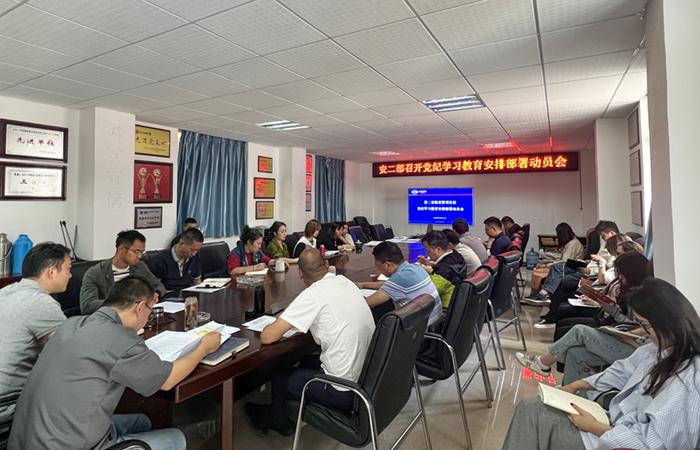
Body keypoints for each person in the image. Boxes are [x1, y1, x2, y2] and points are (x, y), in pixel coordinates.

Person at [8, 276, 221, 450]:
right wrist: (203, 347)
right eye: (150, 310)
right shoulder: (120, 339)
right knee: (177, 438)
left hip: (27, 438)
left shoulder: (71, 323)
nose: (148, 317)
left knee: (143, 421)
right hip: (71, 444)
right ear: (140, 307)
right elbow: (167, 380)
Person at [502, 278, 700, 450]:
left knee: (532, 413)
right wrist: (576, 385)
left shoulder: (687, 378)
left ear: (667, 321)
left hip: (617, 439)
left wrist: (594, 427)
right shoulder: (657, 350)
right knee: (533, 406)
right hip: (614, 425)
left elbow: (655, 443)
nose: (645, 333)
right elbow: (621, 371)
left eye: (646, 326)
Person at [243, 249, 375, 436]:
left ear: (300, 274)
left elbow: (268, 337)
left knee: (279, 377)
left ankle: (279, 422)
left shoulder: (313, 295)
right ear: (327, 265)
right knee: (305, 360)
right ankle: (289, 406)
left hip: (342, 390)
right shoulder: (344, 281)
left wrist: (284, 316)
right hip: (368, 378)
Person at [0, 243, 71, 425]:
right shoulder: (41, 302)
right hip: (8, 407)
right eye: (68, 269)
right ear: (51, 271)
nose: (70, 275)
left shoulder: (5, 292)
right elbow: (71, 354)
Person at [80, 230, 165, 314]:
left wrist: (156, 293)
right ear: (121, 249)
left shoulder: (140, 267)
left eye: (142, 252)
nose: (140, 256)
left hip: (138, 315)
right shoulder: (96, 273)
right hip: (110, 318)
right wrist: (120, 303)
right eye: (137, 251)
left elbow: (158, 285)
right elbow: (87, 305)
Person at [356, 241, 442, 326]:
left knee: (375, 311)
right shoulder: (415, 267)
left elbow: (367, 304)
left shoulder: (399, 278)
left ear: (388, 265)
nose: (377, 269)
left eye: (378, 266)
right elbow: (389, 284)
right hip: (435, 322)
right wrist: (363, 285)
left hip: (421, 329)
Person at [524, 223, 585, 303]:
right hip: (567, 266)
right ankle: (539, 293)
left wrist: (547, 265)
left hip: (570, 268)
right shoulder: (572, 242)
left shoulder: (572, 244)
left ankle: (542, 293)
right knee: (543, 269)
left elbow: (564, 261)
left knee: (544, 270)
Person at [418, 231, 468, 308]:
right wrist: (432, 265)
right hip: (459, 304)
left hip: (446, 310)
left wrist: (421, 273)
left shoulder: (443, 272)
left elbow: (427, 294)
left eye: (428, 251)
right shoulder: (457, 256)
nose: (427, 254)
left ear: (438, 249)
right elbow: (448, 269)